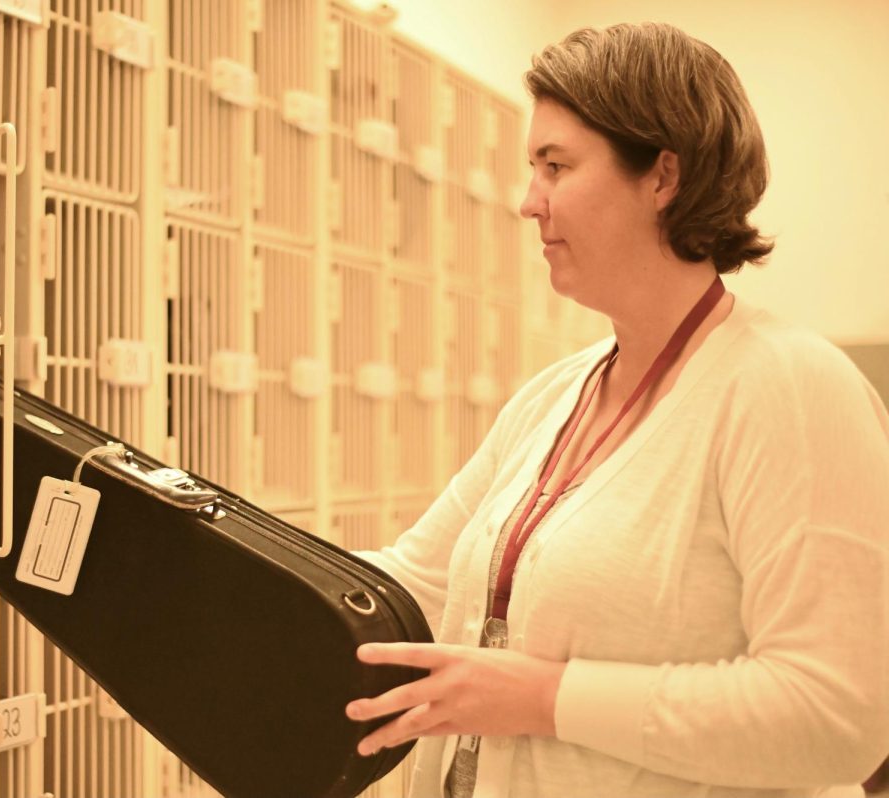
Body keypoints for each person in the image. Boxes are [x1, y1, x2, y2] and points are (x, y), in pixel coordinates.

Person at [346, 21, 889, 798]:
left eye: (555, 166)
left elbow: (837, 715)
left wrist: (546, 699)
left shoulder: (790, 388)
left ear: (663, 175)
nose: (528, 202)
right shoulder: (554, 396)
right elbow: (411, 587)